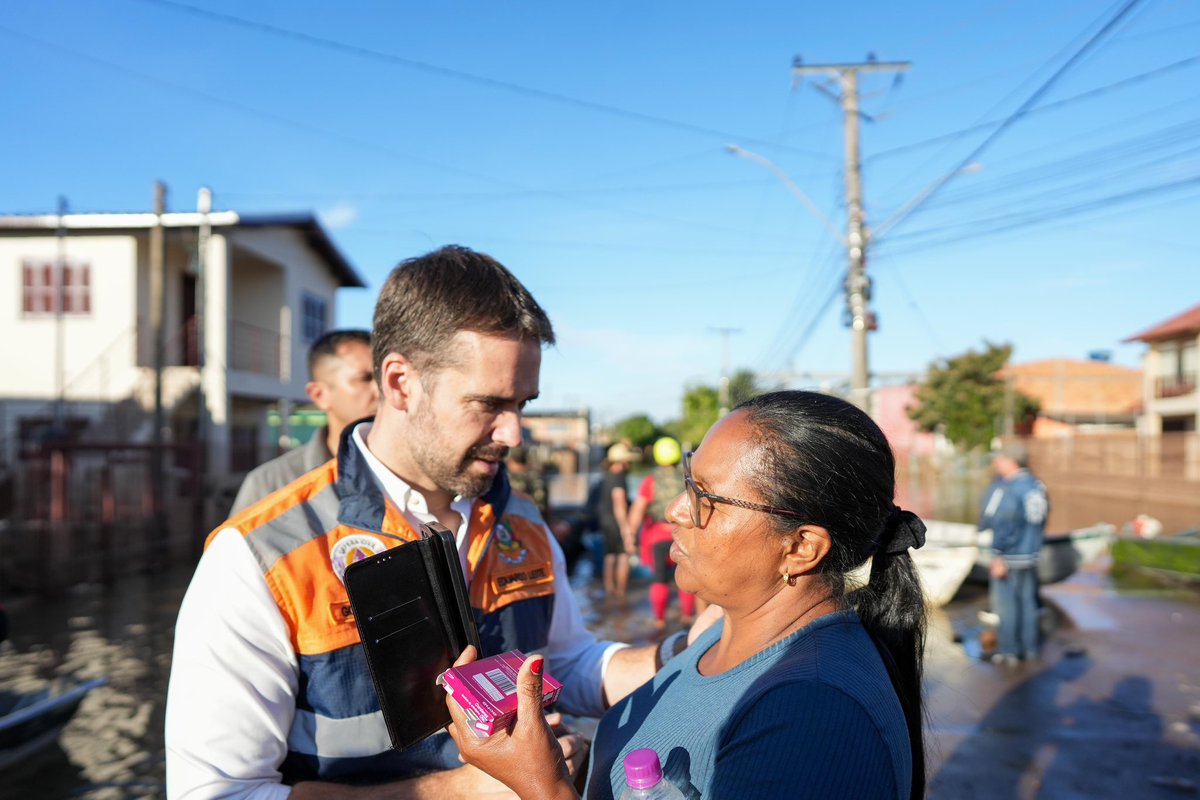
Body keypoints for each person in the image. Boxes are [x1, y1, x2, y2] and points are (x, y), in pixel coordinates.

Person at [165, 246, 665, 799]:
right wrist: (464, 791)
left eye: (523, 404)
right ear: (400, 382)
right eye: (489, 403)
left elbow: (564, 662)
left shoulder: (521, 519)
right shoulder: (260, 555)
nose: (514, 434)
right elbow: (217, 793)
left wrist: (685, 653)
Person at [446, 390, 929, 800]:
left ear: (801, 548)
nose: (676, 510)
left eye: (706, 498)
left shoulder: (812, 716)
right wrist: (576, 763)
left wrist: (542, 785)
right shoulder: (724, 632)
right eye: (687, 481)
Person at [229, 329, 379, 514]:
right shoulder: (271, 484)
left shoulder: (407, 470)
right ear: (319, 395)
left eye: (382, 377)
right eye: (365, 379)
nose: (381, 389)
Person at [979, 441, 1048, 664]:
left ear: (1012, 461)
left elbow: (1006, 523)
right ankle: (1030, 648)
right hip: (1030, 554)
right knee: (1028, 603)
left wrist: (998, 554)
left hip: (1010, 556)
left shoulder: (1011, 487)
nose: (996, 463)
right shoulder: (1036, 485)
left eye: (1000, 459)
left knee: (1006, 605)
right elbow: (1041, 519)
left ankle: (1009, 651)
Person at [625, 437, 695, 631]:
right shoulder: (687, 478)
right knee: (686, 573)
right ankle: (687, 616)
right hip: (683, 533)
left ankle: (659, 620)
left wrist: (630, 535)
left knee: (659, 578)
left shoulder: (650, 481)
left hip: (658, 536)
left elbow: (638, 509)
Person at [596, 443, 636, 600]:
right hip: (616, 521)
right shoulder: (619, 476)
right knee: (624, 555)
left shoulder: (607, 476)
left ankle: (609, 589)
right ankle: (621, 592)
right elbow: (619, 502)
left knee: (610, 555)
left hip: (605, 520)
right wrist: (626, 529)